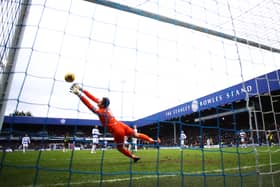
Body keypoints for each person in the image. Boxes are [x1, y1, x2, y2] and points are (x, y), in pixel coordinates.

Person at [70, 83, 160, 162]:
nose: (98, 100)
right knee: (136, 135)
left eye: (100, 101)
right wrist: (81, 89)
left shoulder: (100, 112)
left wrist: (79, 94)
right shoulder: (105, 107)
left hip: (117, 130)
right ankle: (153, 140)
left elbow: (89, 105)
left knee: (120, 147)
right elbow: (92, 97)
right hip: (121, 125)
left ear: (102, 104)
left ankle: (133, 157)